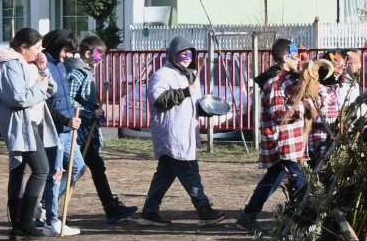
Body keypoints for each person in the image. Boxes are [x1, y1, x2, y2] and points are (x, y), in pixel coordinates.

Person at [141, 35, 223, 226]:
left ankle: (149, 212)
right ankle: (204, 209)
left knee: (165, 174)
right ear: (173, 54)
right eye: (182, 54)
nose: (186, 58)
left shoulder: (190, 76)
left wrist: (207, 109)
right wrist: (186, 92)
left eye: (190, 54)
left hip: (186, 132)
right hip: (172, 133)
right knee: (189, 171)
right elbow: (158, 99)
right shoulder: (162, 74)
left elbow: (194, 104)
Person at [0, 27, 58, 241]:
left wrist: (43, 70)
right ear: (23, 47)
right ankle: (25, 222)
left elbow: (49, 89)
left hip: (32, 122)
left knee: (19, 170)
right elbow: (17, 98)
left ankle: (18, 226)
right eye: (36, 48)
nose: (39, 52)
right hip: (20, 125)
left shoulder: (27, 64)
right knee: (41, 169)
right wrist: (40, 87)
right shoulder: (11, 65)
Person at [237, 44, 308, 231]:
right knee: (299, 180)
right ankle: (303, 219)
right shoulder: (275, 82)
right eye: (295, 56)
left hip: (290, 140)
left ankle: (248, 216)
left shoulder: (289, 79)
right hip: (282, 141)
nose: (298, 60)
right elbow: (278, 114)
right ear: (285, 58)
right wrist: (302, 108)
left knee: (273, 177)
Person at [70, 35, 138, 223]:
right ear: (87, 54)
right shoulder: (77, 73)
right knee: (72, 170)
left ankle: (110, 207)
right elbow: (68, 102)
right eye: (99, 56)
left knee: (96, 167)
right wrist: (90, 114)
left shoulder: (88, 72)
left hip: (87, 133)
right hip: (78, 133)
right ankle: (44, 207)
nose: (101, 61)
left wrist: (97, 109)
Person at [39, 30, 85, 237]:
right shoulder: (44, 66)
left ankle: (45, 205)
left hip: (68, 130)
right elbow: (46, 103)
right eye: (67, 51)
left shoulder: (60, 65)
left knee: (78, 166)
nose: (69, 56)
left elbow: (65, 96)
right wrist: (65, 119)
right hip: (55, 129)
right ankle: (52, 220)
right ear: (58, 45)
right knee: (55, 174)